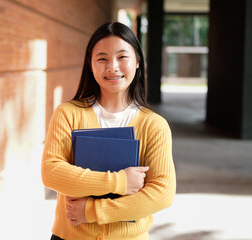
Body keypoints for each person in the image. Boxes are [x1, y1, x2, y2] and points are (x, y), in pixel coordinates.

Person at [41, 22, 176, 240]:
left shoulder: (154, 125)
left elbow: (162, 194)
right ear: (90, 64)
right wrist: (120, 182)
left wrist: (91, 211)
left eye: (122, 57)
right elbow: (52, 172)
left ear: (138, 62)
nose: (112, 67)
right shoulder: (68, 113)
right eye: (102, 58)